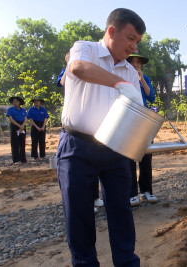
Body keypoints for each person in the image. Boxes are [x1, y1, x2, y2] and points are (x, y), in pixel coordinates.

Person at [57, 8, 145, 266]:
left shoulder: (130, 70)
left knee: (121, 210)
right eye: (130, 38)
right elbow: (78, 68)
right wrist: (119, 83)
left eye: (137, 41)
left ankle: (127, 262)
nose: (133, 46)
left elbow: (135, 111)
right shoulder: (85, 49)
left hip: (115, 148)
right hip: (77, 146)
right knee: (79, 214)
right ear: (111, 31)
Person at [126, 53, 157, 207]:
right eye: (133, 62)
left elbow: (151, 97)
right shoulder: (122, 77)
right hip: (128, 119)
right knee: (130, 157)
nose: (136, 65)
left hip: (144, 120)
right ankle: (132, 193)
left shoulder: (146, 79)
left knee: (146, 155)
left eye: (138, 63)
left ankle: (146, 191)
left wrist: (142, 80)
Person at [27, 96, 49, 161]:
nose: (37, 102)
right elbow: (30, 119)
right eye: (35, 101)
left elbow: (46, 117)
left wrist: (43, 126)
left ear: (40, 102)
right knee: (34, 141)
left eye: (38, 101)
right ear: (33, 102)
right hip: (34, 125)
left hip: (42, 124)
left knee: (42, 141)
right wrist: (36, 127)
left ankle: (42, 156)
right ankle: (35, 156)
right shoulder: (31, 109)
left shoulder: (43, 109)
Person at [6, 96, 27, 164]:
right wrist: (19, 126)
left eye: (16, 102)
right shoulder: (10, 109)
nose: (15, 103)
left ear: (19, 102)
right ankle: (16, 160)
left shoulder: (23, 110)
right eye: (14, 102)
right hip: (15, 125)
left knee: (22, 143)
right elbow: (11, 119)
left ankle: (23, 159)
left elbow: (26, 118)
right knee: (15, 143)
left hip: (22, 126)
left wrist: (22, 126)